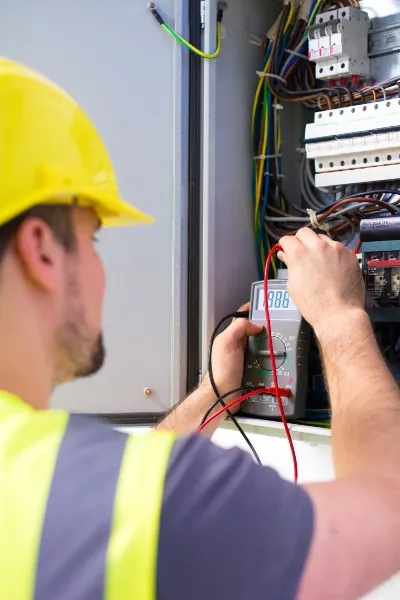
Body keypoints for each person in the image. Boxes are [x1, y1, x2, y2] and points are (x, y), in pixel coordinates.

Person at [1, 57, 400, 600]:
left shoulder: (70, 491)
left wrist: (214, 393)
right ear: (42, 251)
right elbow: (389, 508)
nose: (100, 267)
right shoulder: (152, 504)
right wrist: (338, 315)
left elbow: (129, 499)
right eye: (93, 239)